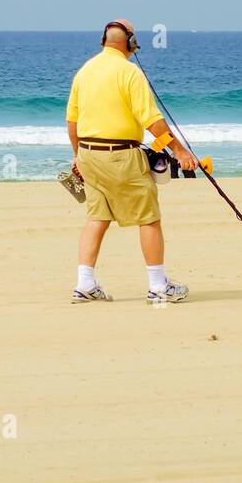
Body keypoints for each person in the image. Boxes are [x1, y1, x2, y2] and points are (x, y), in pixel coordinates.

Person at [65, 19, 197, 303]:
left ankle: (84, 284)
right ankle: (158, 286)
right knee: (148, 217)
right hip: (121, 156)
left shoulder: (84, 71)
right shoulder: (130, 72)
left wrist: (77, 156)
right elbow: (151, 120)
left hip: (88, 155)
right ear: (131, 43)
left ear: (103, 41)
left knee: (97, 217)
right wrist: (180, 151)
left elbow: (72, 122)